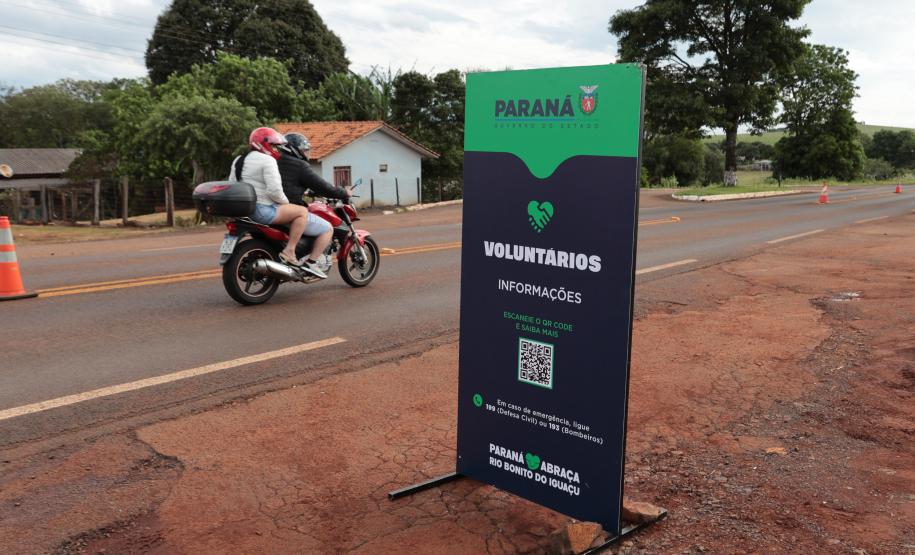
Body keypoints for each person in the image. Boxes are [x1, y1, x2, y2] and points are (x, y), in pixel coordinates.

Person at [229, 127, 326, 279]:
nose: (276, 149)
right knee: (302, 212)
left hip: (245, 210)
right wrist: (286, 204)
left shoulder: (239, 159)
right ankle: (290, 251)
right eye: (274, 145)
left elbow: (232, 184)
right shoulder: (268, 160)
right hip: (263, 210)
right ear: (264, 144)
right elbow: (274, 191)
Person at [276, 132, 353, 272]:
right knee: (327, 228)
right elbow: (323, 186)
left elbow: (286, 184)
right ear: (294, 149)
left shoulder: (276, 160)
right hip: (290, 210)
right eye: (304, 149)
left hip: (275, 208)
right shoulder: (300, 165)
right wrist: (343, 192)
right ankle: (311, 263)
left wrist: (305, 191)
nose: (306, 152)